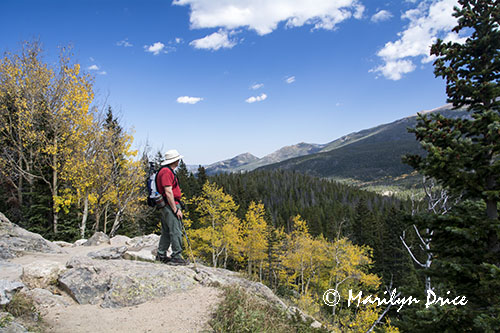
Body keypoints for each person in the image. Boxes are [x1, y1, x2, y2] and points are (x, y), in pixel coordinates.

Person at [155, 149, 188, 266]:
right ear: (175, 160)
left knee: (166, 231)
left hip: (165, 205)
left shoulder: (164, 171)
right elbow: (168, 192)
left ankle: (161, 254)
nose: (179, 161)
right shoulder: (166, 172)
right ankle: (176, 256)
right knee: (175, 230)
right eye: (178, 159)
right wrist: (175, 209)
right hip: (170, 205)